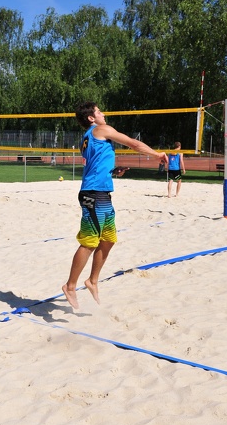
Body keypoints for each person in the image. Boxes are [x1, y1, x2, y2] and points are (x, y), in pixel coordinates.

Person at [62, 101, 168, 310]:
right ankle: (70, 286)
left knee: (108, 239)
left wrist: (113, 171)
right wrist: (157, 155)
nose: (103, 114)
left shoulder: (87, 138)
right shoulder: (101, 129)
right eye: (99, 112)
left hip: (102, 191)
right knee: (90, 241)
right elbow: (133, 143)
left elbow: (95, 163)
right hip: (93, 193)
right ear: (91, 118)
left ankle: (92, 281)